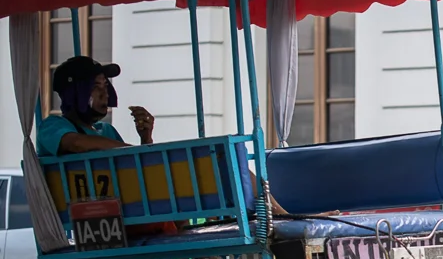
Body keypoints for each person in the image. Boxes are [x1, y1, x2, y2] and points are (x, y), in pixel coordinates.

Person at [38, 55, 288, 215]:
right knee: (218, 159)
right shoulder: (53, 126)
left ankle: (278, 214)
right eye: (95, 87)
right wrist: (130, 149)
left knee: (228, 160)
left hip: (128, 206)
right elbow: (77, 144)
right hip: (106, 212)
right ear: (75, 93)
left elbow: (124, 160)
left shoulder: (105, 131)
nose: (105, 94)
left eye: (106, 87)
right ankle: (278, 216)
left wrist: (145, 140)